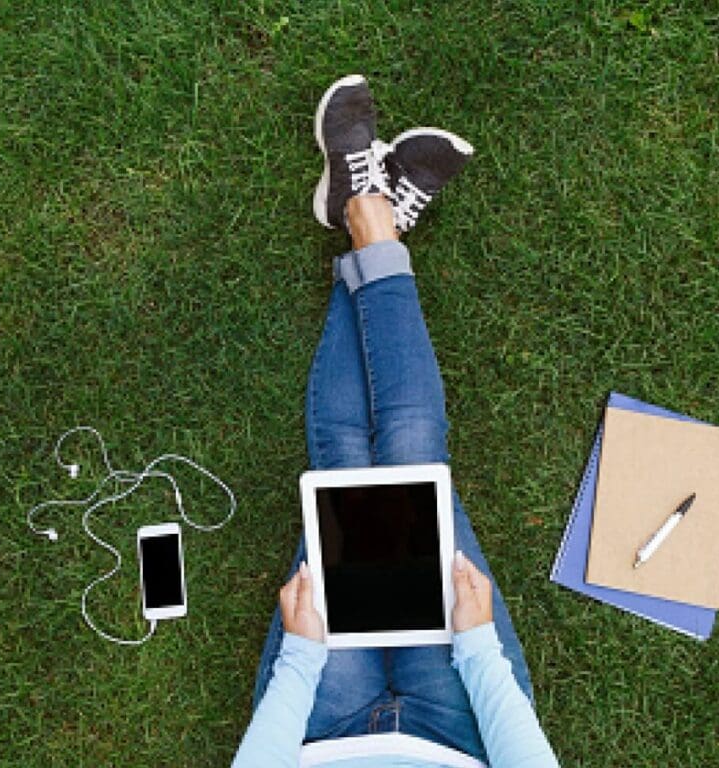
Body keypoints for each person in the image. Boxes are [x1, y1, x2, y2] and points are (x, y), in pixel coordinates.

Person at [232, 75, 559, 768]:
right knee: (413, 456)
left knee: (345, 473)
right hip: (462, 733)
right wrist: (476, 647)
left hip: (322, 734)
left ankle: (365, 212)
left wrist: (300, 658)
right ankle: (369, 216)